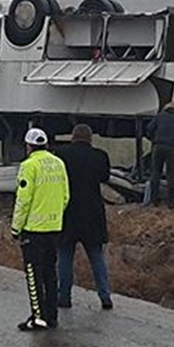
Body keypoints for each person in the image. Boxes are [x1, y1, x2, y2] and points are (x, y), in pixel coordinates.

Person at [11, 128, 70, 331]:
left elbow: (23, 200)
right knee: (50, 274)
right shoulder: (58, 163)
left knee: (33, 275)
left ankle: (37, 317)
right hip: (54, 228)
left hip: (33, 230)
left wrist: (15, 227)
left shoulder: (29, 166)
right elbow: (65, 196)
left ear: (28, 146)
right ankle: (51, 316)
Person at [54, 124, 114, 310]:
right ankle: (105, 296)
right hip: (92, 212)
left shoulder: (61, 155)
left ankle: (64, 296)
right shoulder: (100, 156)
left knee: (64, 256)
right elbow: (104, 177)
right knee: (96, 256)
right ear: (90, 138)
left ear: (72, 137)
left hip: (68, 211)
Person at [145, 99, 174, 207]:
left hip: (158, 146)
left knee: (155, 174)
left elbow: (149, 129)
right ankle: (171, 202)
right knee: (171, 175)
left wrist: (154, 140)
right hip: (173, 148)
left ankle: (153, 200)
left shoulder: (160, 115)